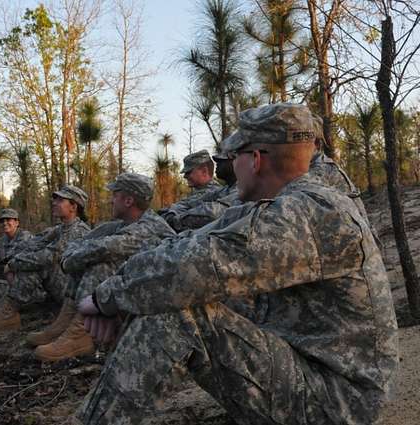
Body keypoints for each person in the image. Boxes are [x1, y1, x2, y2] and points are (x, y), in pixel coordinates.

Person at [76, 103, 398, 425]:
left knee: (178, 312)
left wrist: (107, 299)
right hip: (306, 363)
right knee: (168, 290)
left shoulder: (315, 212)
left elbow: (194, 268)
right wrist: (116, 291)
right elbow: (183, 246)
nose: (228, 168)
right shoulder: (279, 204)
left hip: (339, 401)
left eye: (233, 158)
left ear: (255, 160)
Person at [31, 173, 176, 362]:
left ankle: (81, 333)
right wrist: (72, 257)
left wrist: (70, 260)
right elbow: (85, 242)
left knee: (102, 264)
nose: (110, 200)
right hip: (139, 292)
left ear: (129, 200)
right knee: (91, 259)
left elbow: (103, 247)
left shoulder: (148, 227)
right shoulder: (120, 225)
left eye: (114, 195)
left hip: (163, 301)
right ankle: (67, 322)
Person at [0, 185, 90, 335]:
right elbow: (31, 244)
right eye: (55, 199)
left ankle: (9, 314)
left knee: (38, 264)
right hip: (60, 287)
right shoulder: (60, 229)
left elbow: (49, 256)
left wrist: (13, 264)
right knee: (31, 260)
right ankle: (8, 313)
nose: (54, 203)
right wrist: (16, 259)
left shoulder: (78, 231)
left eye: (60, 200)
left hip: (73, 293)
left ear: (73, 206)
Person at [166, 135, 240, 232]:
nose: (217, 161)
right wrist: (171, 214)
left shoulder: (243, 191)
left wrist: (174, 220)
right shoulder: (223, 191)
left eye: (224, 159)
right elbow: (190, 204)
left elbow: (212, 212)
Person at [158, 149, 222, 225]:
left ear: (204, 171)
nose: (185, 176)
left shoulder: (216, 195)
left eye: (188, 172)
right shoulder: (196, 194)